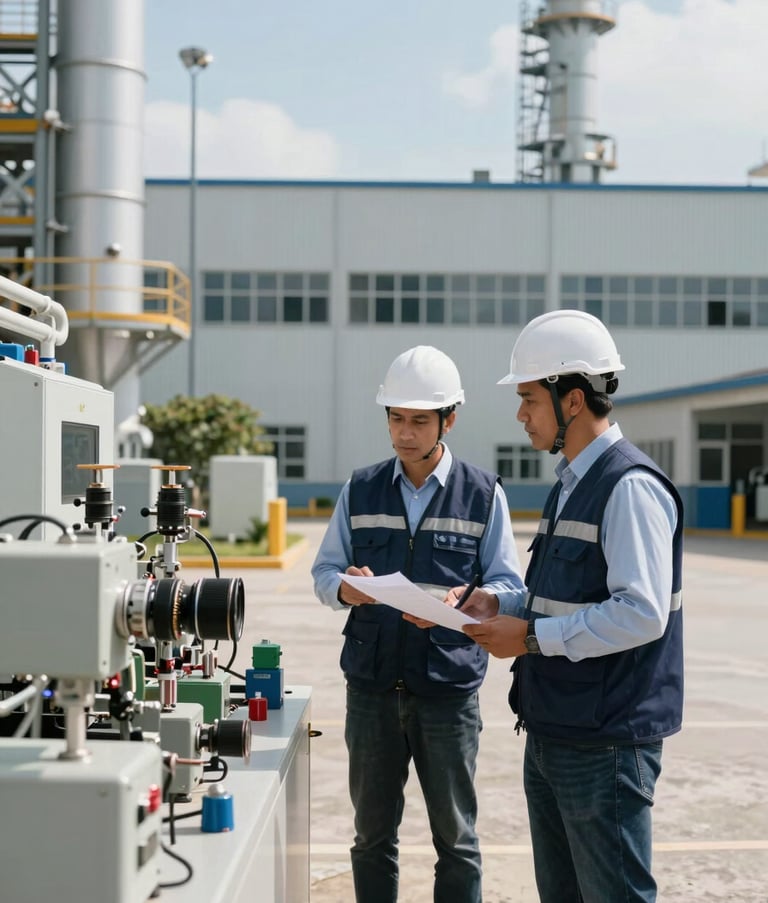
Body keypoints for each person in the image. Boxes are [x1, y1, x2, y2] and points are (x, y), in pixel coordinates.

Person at [459, 310, 684, 903]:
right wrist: (495, 602)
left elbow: (641, 612)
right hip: (557, 728)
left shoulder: (629, 487)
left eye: (529, 398)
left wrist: (530, 639)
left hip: (605, 744)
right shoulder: (571, 482)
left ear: (574, 400)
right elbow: (557, 595)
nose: (520, 414)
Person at [311, 345, 526, 903]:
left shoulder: (484, 495)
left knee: (456, 838)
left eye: (420, 421)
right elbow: (324, 571)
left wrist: (474, 598)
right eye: (397, 419)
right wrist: (345, 588)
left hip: (447, 695)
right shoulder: (359, 489)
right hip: (372, 689)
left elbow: (511, 585)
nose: (405, 434)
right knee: (371, 836)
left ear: (448, 420)